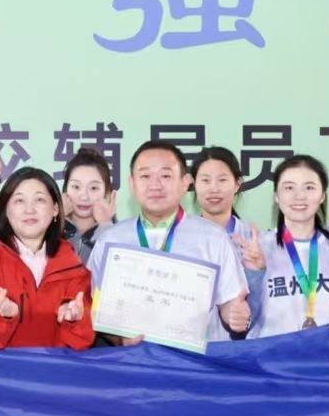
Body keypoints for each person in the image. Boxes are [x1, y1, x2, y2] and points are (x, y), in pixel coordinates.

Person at [88, 141, 249, 345]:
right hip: (134, 359)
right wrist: (120, 338)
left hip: (196, 361)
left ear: (185, 182)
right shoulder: (111, 240)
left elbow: (229, 300)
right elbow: (97, 309)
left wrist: (234, 314)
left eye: (165, 176)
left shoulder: (214, 238)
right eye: (145, 176)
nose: (155, 185)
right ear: (132, 184)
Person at [0, 167, 94, 351]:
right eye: (19, 200)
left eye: (39, 200)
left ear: (55, 209)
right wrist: (1, 316)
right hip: (2, 369)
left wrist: (75, 320)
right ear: (5, 210)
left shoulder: (74, 268)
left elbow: (82, 342)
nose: (29, 210)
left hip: (57, 368)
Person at [247, 155, 329, 338]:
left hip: (324, 352)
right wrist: (255, 273)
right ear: (276, 196)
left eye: (309, 187)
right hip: (270, 353)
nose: (299, 196)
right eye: (289, 187)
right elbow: (245, 320)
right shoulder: (258, 248)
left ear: (323, 195)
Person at [190, 146, 266, 274]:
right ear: (194, 183)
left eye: (222, 180)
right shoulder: (182, 236)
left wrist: (257, 270)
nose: (214, 188)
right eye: (205, 180)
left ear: (237, 184)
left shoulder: (254, 240)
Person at [59, 148, 116, 265]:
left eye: (94, 188)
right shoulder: (47, 229)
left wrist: (106, 226)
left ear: (107, 193)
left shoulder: (119, 234)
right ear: (65, 190)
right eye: (76, 187)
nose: (84, 196)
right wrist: (57, 222)